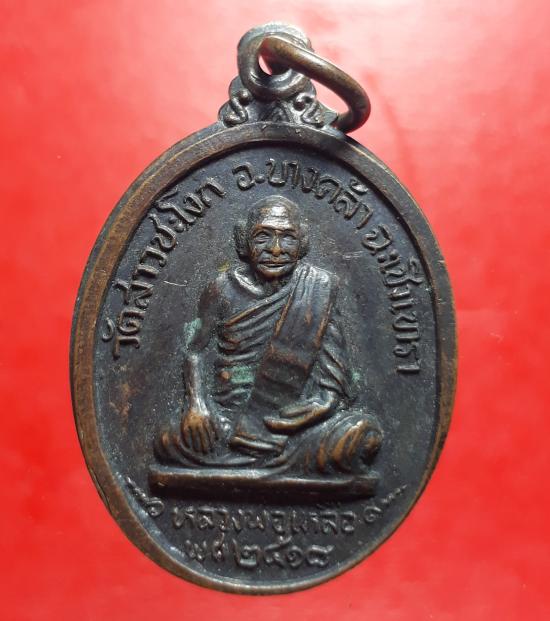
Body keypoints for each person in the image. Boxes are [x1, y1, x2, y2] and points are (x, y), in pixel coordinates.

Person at [155, 195, 382, 478]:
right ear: (244, 242)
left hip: (293, 427)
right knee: (168, 439)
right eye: (263, 236)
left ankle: (250, 466)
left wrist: (323, 406)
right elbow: (194, 350)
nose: (275, 250)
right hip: (228, 422)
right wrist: (196, 405)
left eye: (288, 238)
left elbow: (335, 379)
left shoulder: (319, 289)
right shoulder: (222, 289)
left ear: (302, 244)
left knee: (363, 436)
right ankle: (272, 466)